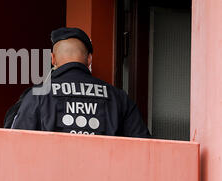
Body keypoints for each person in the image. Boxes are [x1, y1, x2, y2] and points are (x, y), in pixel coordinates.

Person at [11, 27, 150, 138]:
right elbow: (143, 145)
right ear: (89, 59)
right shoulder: (117, 97)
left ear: (52, 59)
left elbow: (15, 142)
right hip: (104, 173)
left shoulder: (37, 95)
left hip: (51, 172)